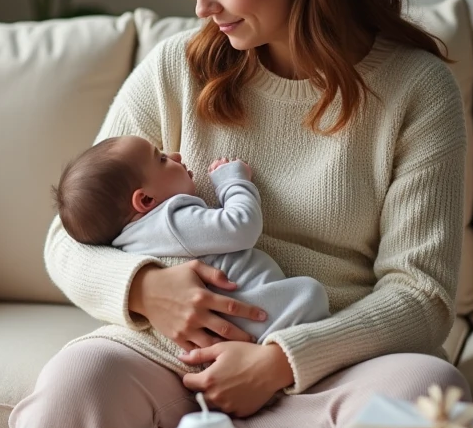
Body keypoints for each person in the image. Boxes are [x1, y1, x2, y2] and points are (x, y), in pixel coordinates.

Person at [9, 0, 470, 428]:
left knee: (428, 395)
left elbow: (421, 294)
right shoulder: (176, 67)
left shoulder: (417, 90)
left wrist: (280, 361)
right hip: (177, 365)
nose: (202, 8)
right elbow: (66, 238)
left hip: (332, 369)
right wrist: (146, 290)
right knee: (77, 383)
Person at [52, 135, 330, 343]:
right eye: (161, 159)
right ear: (146, 200)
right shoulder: (171, 220)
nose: (175, 154)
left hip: (218, 328)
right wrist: (233, 182)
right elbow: (241, 226)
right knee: (310, 294)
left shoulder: (127, 242)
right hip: (253, 314)